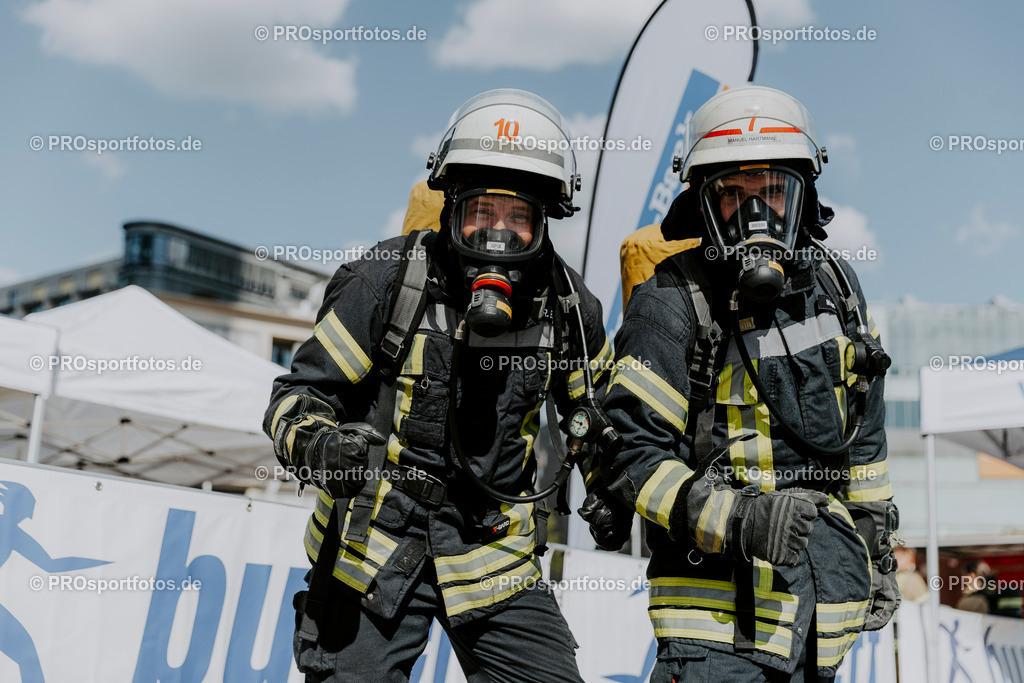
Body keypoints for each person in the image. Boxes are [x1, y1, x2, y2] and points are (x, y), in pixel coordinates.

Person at [263, 88, 626, 682]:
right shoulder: (384, 281)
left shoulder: (568, 307)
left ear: (544, 223)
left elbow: (598, 421)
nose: (499, 236)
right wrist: (319, 447)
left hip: (493, 554)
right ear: (450, 207)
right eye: (483, 212)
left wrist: (609, 491)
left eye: (519, 218)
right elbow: (294, 401)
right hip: (372, 551)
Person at [599, 86, 899, 682]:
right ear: (702, 207)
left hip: (820, 623)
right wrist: (738, 521)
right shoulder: (668, 302)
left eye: (771, 192)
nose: (755, 212)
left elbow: (865, 440)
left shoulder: (837, 290)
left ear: (802, 197)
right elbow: (629, 457)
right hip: (716, 635)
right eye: (733, 194)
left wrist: (877, 549)